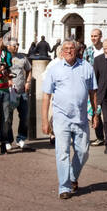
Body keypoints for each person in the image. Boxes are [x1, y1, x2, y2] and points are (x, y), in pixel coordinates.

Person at [42, 39, 99, 199]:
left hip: (81, 118)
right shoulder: (55, 69)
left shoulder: (86, 67)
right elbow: (46, 96)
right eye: (66, 48)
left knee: (83, 151)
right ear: (61, 51)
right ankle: (64, 187)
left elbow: (93, 92)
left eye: (71, 48)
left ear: (77, 50)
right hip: (61, 118)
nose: (68, 51)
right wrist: (45, 120)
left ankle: (72, 177)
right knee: (63, 153)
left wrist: (96, 113)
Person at [9, 40, 35, 149]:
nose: (16, 47)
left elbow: (29, 70)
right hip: (9, 92)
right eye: (14, 45)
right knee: (8, 118)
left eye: (17, 45)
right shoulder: (5, 57)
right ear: (9, 46)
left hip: (21, 91)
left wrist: (28, 82)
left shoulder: (23, 58)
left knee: (24, 117)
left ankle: (21, 139)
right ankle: (7, 140)